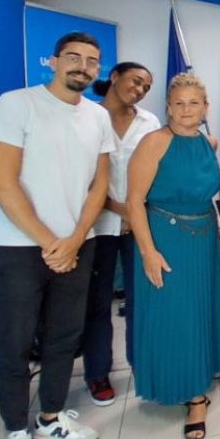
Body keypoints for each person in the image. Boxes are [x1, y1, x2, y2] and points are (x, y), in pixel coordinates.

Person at [0, 31, 114, 439]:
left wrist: (74, 239)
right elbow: (3, 184)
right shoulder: (16, 104)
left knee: (64, 337)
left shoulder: (97, 115)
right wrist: (51, 242)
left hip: (77, 244)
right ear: (54, 61)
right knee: (15, 344)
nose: (82, 66)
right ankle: (16, 431)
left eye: (91, 60)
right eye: (73, 57)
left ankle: (51, 417)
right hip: (19, 247)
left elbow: (99, 184)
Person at [126, 73, 220, 439]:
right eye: (179, 104)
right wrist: (148, 251)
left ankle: (199, 374)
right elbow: (134, 202)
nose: (187, 110)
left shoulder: (208, 142)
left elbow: (206, 194)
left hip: (203, 238)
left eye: (194, 103)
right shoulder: (154, 143)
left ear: (205, 108)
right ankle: (192, 395)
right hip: (165, 239)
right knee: (173, 315)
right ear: (168, 107)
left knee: (200, 310)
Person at [79, 62, 159, 405]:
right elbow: (77, 176)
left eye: (145, 87)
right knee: (97, 303)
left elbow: (156, 171)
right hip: (95, 226)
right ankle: (97, 374)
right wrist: (119, 208)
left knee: (140, 300)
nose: (139, 90)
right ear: (114, 76)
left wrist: (135, 212)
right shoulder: (84, 117)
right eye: (135, 81)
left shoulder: (149, 122)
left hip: (137, 225)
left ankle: (141, 364)